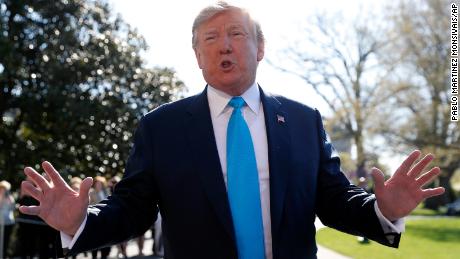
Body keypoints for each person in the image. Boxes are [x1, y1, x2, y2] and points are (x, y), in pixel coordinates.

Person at [19, 2, 445, 259]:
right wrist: (81, 222)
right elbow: (132, 208)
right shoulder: (160, 127)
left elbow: (333, 200)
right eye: (210, 38)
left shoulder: (302, 120)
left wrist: (382, 211)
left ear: (260, 48)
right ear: (197, 56)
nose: (224, 45)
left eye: (236, 33)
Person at [0, 180, 15, 257]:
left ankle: (5, 255)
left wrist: (9, 198)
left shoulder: (10, 197)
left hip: (8, 222)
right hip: (0, 222)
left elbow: (13, 208)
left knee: (6, 241)